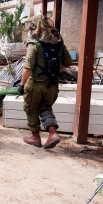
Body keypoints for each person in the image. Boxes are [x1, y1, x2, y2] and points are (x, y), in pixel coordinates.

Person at [18, 15, 72, 149]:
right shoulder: (58, 43)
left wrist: (21, 85)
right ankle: (53, 134)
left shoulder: (34, 44)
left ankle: (35, 137)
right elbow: (68, 62)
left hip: (36, 84)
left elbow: (27, 68)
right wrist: (54, 71)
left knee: (30, 109)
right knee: (46, 108)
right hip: (52, 85)